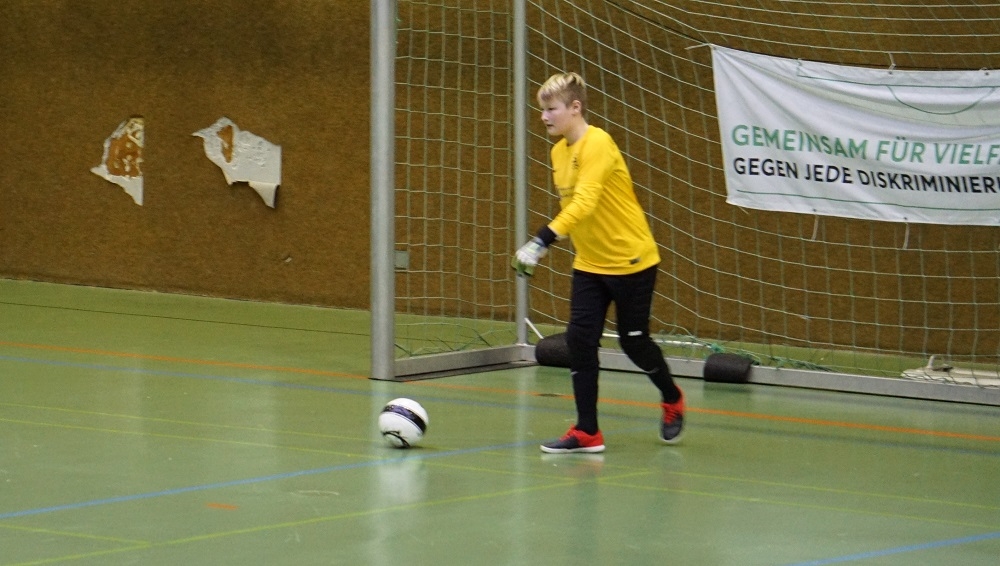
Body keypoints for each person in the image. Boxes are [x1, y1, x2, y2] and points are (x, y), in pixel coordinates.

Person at [512, 72, 684, 454]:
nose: (544, 116)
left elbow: (585, 202)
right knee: (579, 340)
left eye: (551, 109)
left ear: (575, 108)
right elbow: (574, 210)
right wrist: (552, 242)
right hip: (590, 263)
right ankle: (587, 430)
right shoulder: (558, 152)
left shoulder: (599, 143)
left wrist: (542, 239)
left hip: (632, 261)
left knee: (634, 342)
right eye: (542, 109)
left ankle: (672, 397)